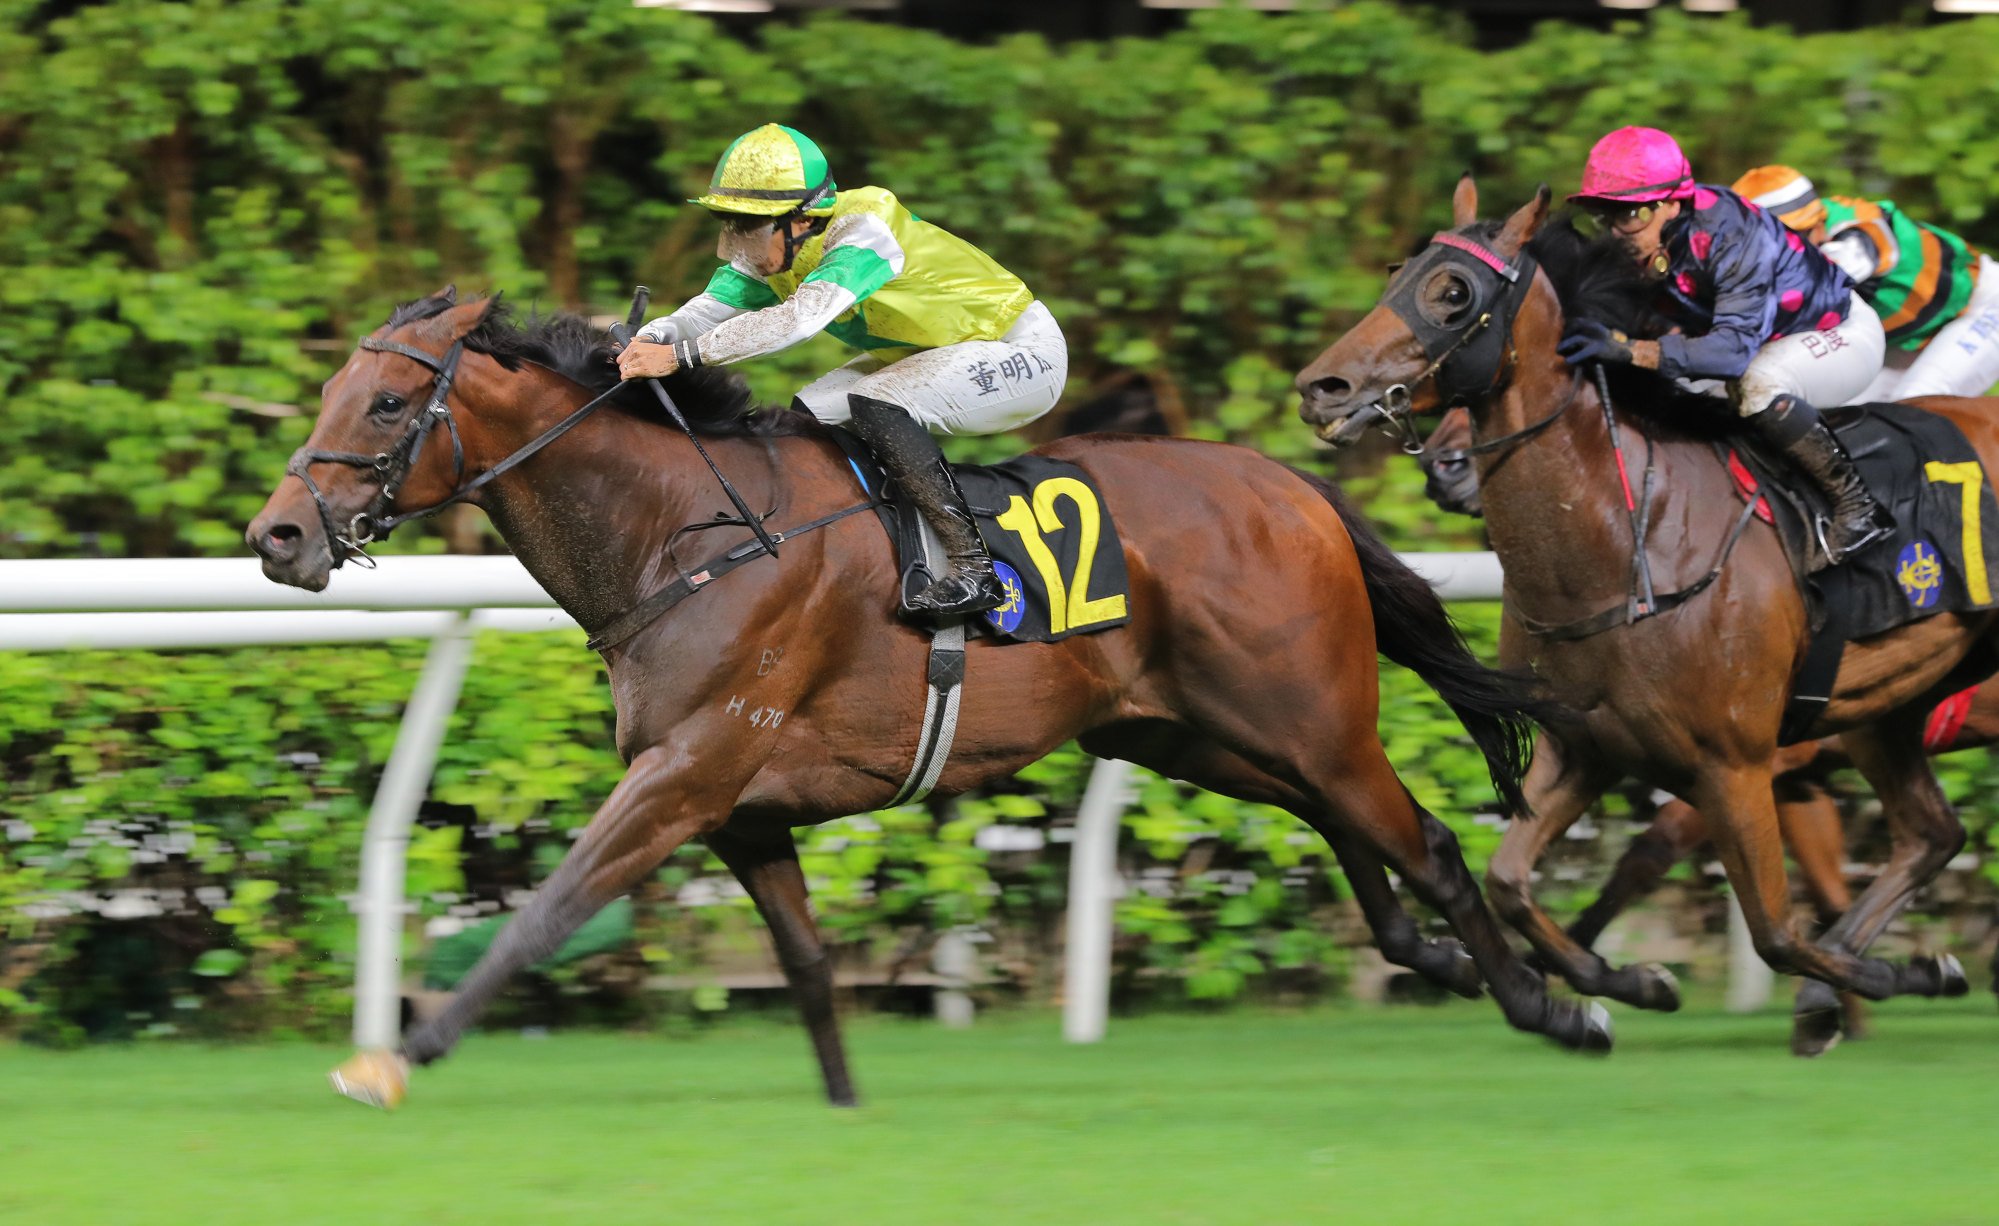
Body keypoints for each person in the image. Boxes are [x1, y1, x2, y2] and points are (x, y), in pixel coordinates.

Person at [617, 123, 1068, 617]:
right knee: (804, 421)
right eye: (734, 225)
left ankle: (974, 570)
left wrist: (682, 357)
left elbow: (801, 319)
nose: (740, 242)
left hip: (1018, 350)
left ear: (804, 219)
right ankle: (862, 549)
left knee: (877, 403)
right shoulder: (776, 250)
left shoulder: (865, 229)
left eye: (753, 226)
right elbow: (705, 311)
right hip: (927, 353)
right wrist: (654, 336)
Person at [1557, 126, 1889, 565]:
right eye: (1606, 216)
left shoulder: (1731, 234)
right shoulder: (1649, 238)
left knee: (1756, 383)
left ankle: (1859, 508)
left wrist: (1630, 350)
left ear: (1672, 203)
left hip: (1840, 333)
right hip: (1762, 341)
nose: (1618, 233)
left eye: (1631, 215)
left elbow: (1730, 355)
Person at [1732, 165, 1999, 402]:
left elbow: (1809, 291)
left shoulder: (1855, 231)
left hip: (1981, 306)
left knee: (1915, 402)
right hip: (1906, 337)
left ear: (1818, 223)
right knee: (1844, 413)